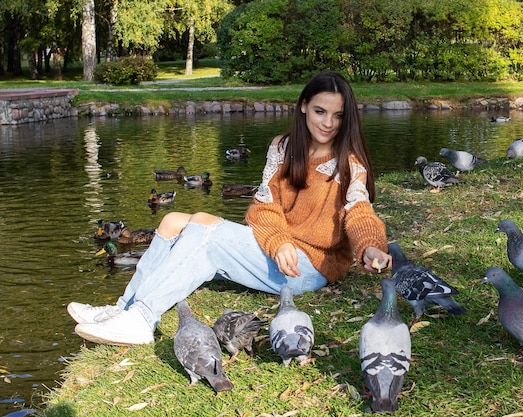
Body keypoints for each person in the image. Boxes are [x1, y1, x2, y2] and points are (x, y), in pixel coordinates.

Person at [67, 70, 392, 346]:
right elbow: (264, 209)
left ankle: (142, 319)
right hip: (280, 251)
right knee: (170, 221)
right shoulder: (283, 147)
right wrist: (278, 240)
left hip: (308, 269)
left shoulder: (349, 163)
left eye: (338, 115)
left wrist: (371, 248)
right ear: (304, 105)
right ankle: (124, 309)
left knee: (206, 232)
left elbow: (360, 213)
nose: (329, 123)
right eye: (321, 111)